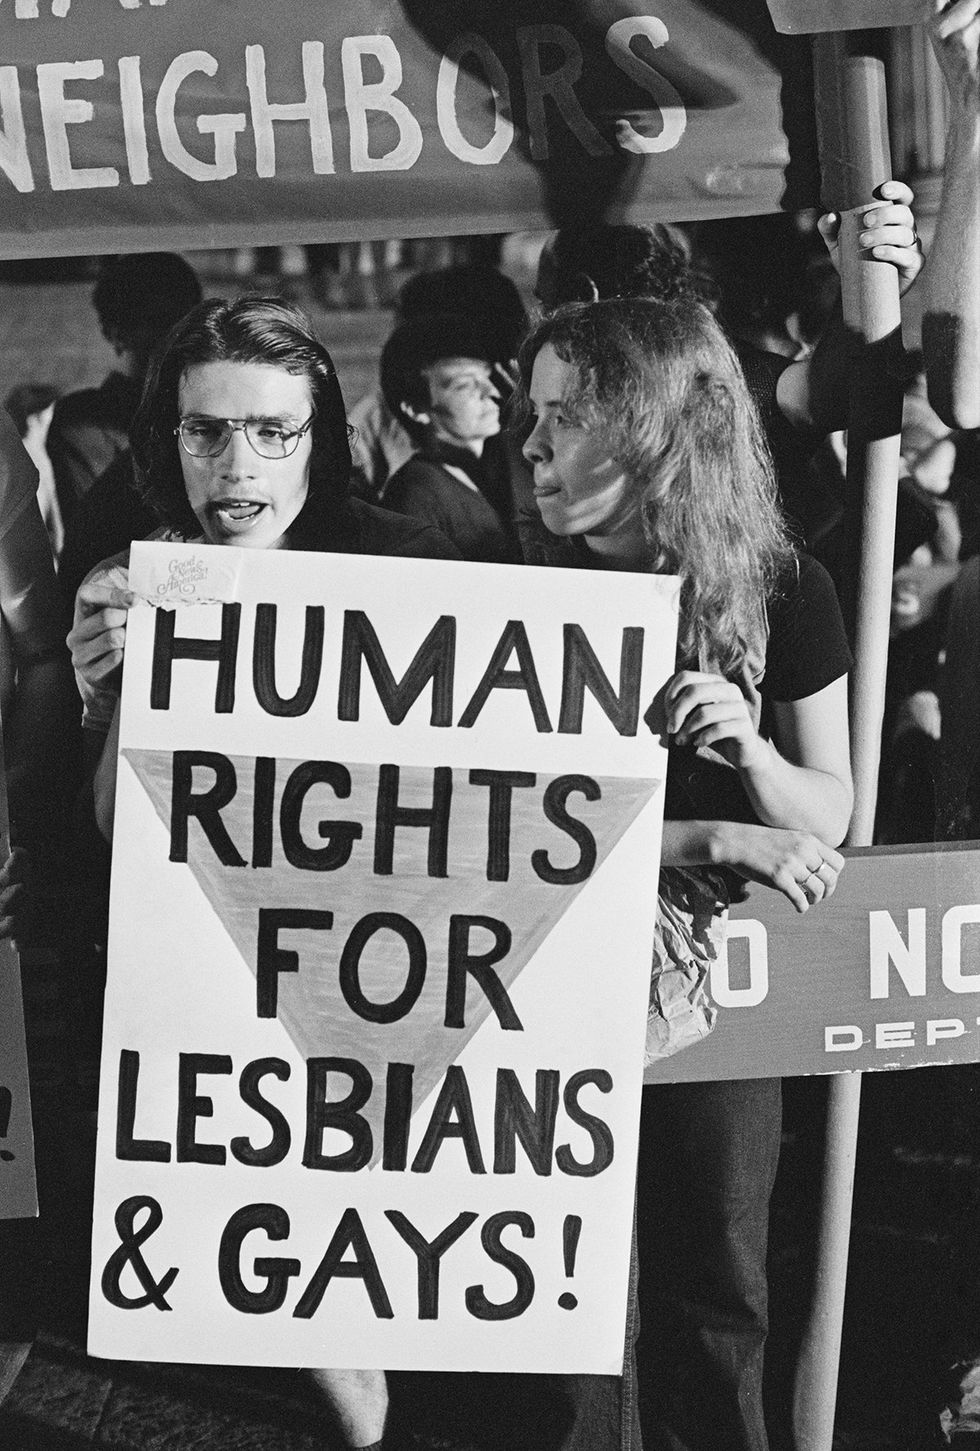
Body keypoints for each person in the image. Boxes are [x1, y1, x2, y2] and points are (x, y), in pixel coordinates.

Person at [67, 294, 461, 1451]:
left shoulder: (404, 559)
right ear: (168, 439)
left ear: (318, 436)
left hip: (396, 973)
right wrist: (118, 699)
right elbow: (113, 831)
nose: (236, 464)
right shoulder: (145, 582)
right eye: (206, 431)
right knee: (317, 1319)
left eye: (271, 432)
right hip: (227, 990)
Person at [516, 295, 854, 1451]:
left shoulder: (782, 589)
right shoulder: (505, 589)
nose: (529, 446)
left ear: (657, 428)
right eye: (531, 413)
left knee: (720, 1293)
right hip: (538, 991)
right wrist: (709, 841)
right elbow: (500, 829)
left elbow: (831, 808)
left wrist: (748, 756)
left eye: (563, 416)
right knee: (563, 1313)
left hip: (715, 1018)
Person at [47, 252, 203, 531]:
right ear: (115, 331)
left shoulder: (215, 408)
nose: (174, 336)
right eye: (154, 322)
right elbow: (103, 528)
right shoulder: (83, 420)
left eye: (185, 320)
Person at [380, 312, 521, 563]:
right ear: (415, 409)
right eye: (464, 385)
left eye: (486, 377)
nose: (491, 392)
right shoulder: (416, 497)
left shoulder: (490, 472)